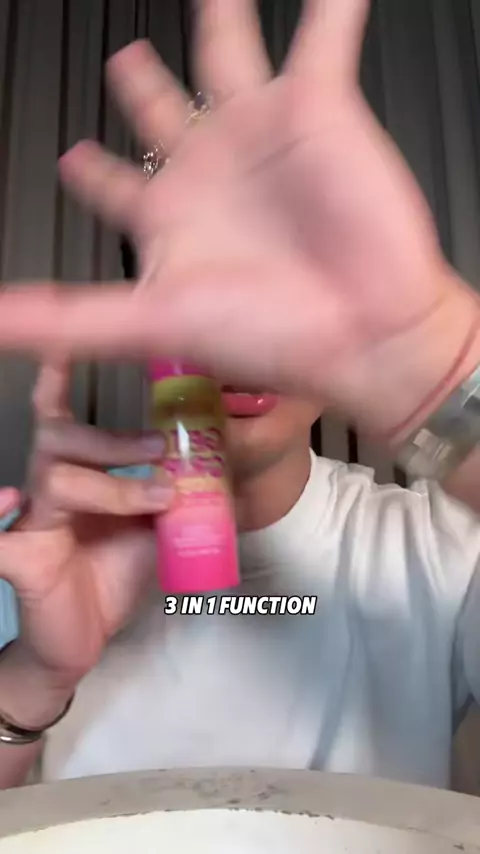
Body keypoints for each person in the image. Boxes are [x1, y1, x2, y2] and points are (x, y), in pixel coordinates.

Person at [1, 0, 480, 790]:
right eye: (205, 304)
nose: (240, 355)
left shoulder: (443, 550)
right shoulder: (39, 551)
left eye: (275, 310)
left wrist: (442, 370)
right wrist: (30, 681)